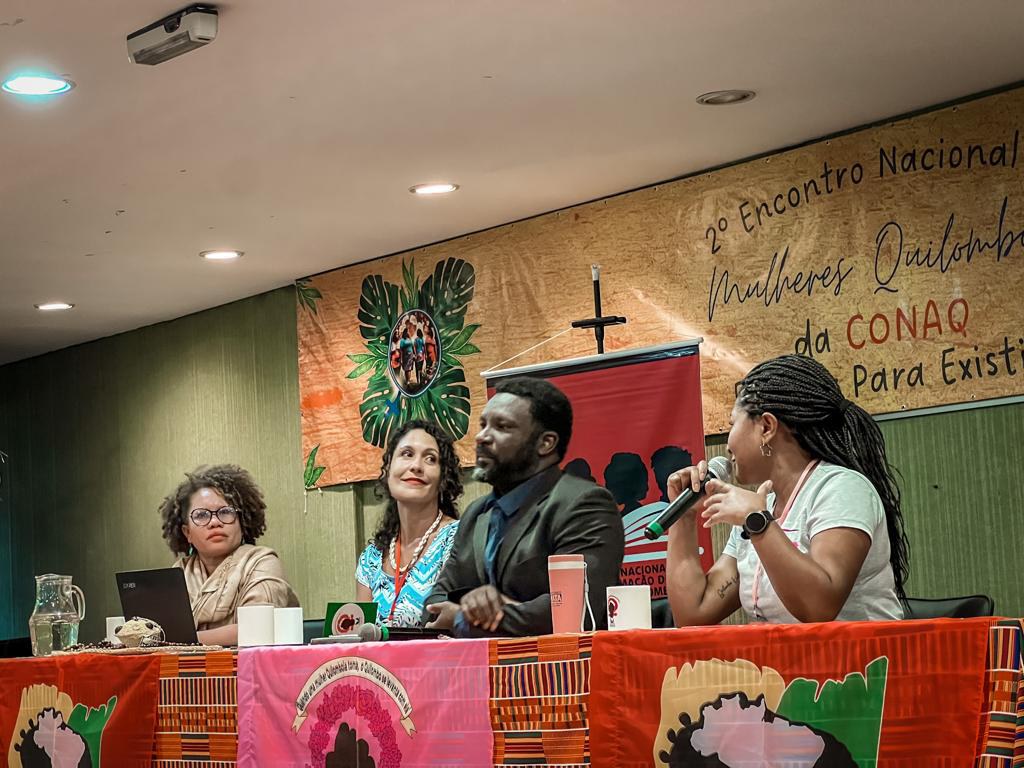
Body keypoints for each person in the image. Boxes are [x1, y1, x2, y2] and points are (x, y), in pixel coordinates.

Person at [666, 354, 909, 625]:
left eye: (733, 423)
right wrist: (684, 517)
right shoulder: (761, 506)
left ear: (767, 427)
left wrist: (758, 522)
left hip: (859, 664)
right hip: (785, 667)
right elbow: (693, 614)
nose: (727, 444)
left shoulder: (842, 488)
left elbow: (819, 606)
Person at [424, 376, 624, 637]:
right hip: (485, 673)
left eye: (502, 426)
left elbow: (578, 609)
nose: (482, 437)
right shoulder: (477, 514)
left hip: (566, 672)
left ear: (545, 443)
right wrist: (477, 605)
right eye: (483, 424)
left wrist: (465, 617)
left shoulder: (583, 504)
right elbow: (434, 605)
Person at [158, 464, 299, 645]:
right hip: (186, 670)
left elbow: (257, 629)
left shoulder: (262, 562)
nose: (215, 522)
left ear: (241, 522)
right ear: (187, 533)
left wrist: (183, 640)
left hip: (250, 669)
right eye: (201, 515)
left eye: (225, 512)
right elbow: (163, 631)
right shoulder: (180, 571)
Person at [355, 419, 462, 627]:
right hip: (377, 661)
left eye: (430, 459)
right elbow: (361, 641)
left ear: (443, 479)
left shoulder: (457, 538)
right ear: (387, 470)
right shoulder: (371, 559)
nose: (416, 466)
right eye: (407, 454)